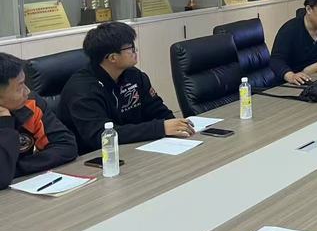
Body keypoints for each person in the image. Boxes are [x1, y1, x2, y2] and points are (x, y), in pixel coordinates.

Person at [60, 22, 194, 154]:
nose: (135, 51)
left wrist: (178, 126)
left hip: (135, 148)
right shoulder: (82, 90)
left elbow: (156, 109)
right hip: (96, 157)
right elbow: (101, 135)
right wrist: (160, 128)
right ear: (112, 58)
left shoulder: (134, 75)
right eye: (130, 48)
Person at [0, 52, 77, 189]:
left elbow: (66, 146)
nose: (27, 91)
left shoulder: (30, 103)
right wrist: (5, 122)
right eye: (20, 86)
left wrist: (15, 168)